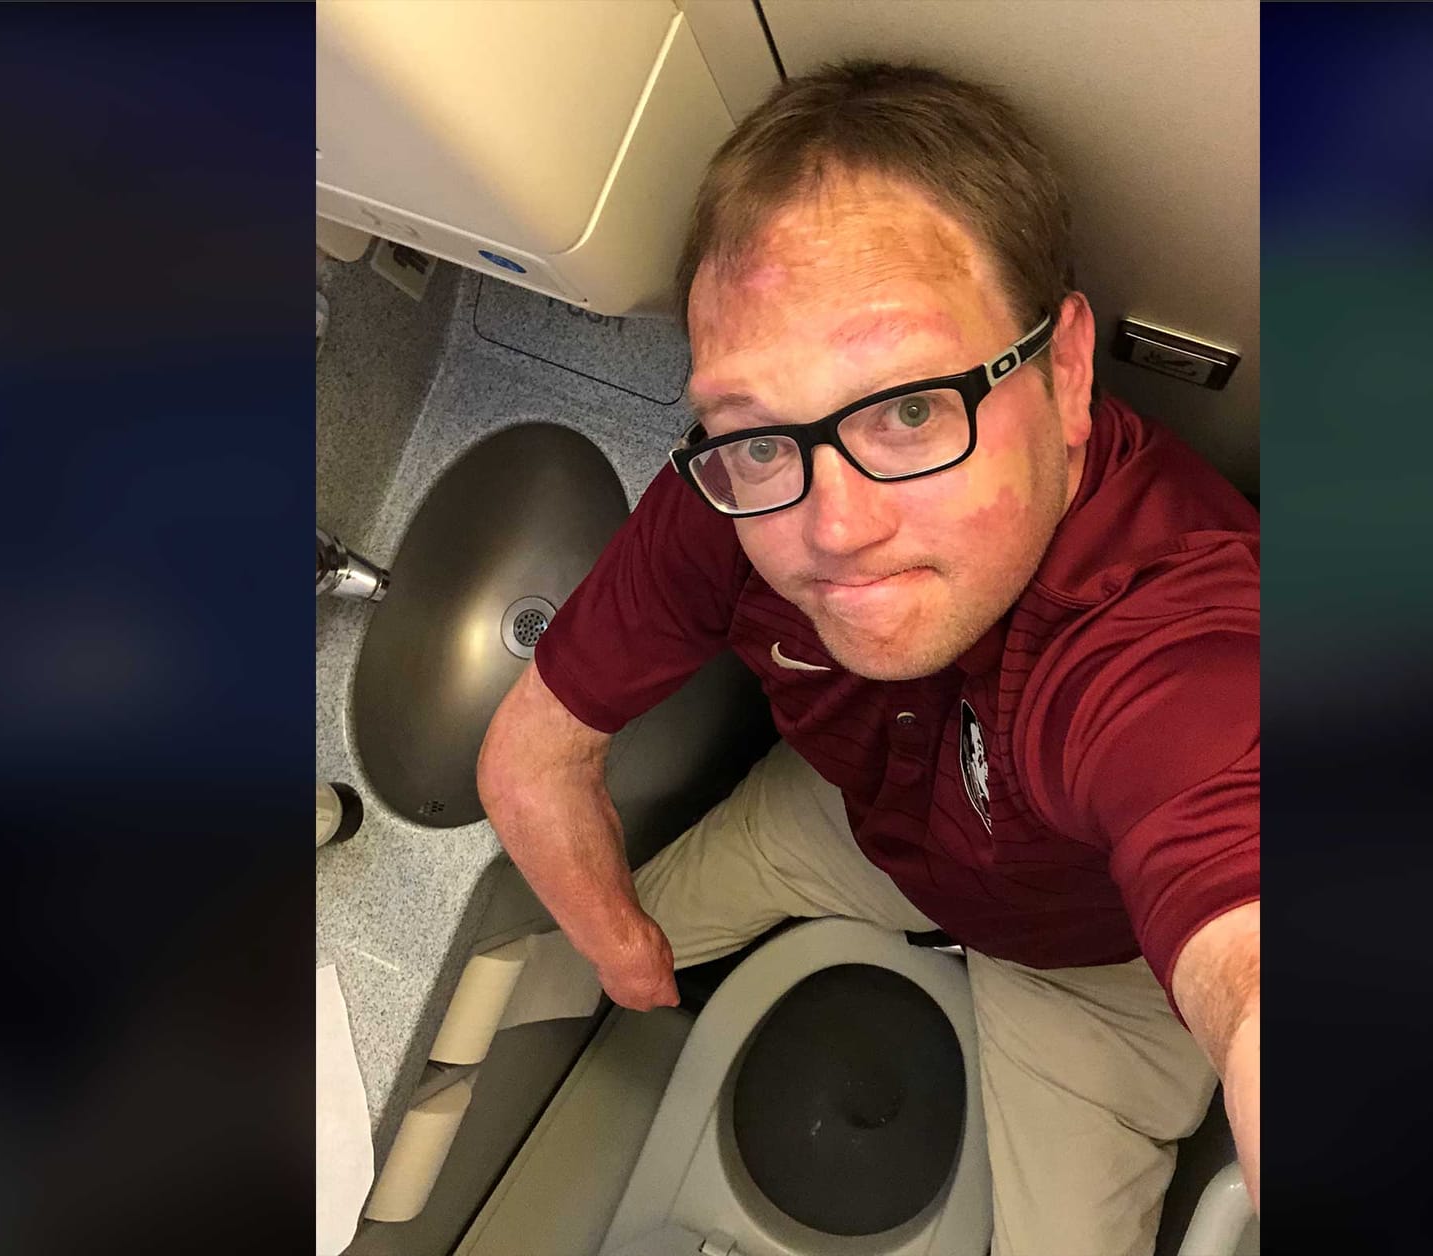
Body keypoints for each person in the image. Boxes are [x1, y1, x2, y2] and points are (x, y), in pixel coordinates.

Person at [477, 60, 1258, 1256]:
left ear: (1060, 374)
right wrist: (623, 950)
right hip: (852, 822)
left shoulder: (1158, 621)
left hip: (1091, 969)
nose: (829, 529)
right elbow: (532, 758)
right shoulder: (731, 499)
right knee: (575, 948)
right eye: (750, 430)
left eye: (906, 408)